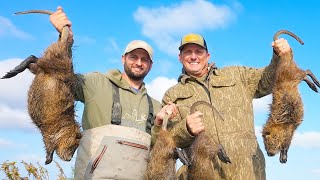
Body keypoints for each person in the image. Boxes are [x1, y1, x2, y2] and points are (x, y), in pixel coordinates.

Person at [50, 6, 175, 180]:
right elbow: (63, 80)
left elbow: (154, 147)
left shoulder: (155, 105)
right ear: (123, 58)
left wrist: (160, 125)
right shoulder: (96, 83)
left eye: (144, 59)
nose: (138, 62)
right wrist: (65, 41)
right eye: (133, 57)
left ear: (151, 65)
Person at [152, 33, 291, 179]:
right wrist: (185, 129)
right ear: (180, 57)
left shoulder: (236, 75)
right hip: (203, 174)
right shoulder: (172, 95)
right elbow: (166, 144)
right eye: (188, 52)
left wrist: (279, 56)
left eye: (199, 52)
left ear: (208, 56)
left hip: (248, 172)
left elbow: (268, 80)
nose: (193, 56)